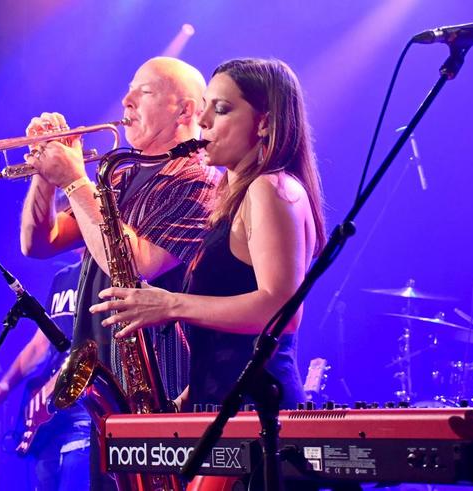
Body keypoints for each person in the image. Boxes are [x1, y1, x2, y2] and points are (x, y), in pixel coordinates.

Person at [18, 56, 219, 488]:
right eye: (129, 89)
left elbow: (137, 265)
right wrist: (45, 174)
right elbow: (39, 243)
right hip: (108, 389)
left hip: (164, 390)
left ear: (185, 110)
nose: (126, 100)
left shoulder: (197, 180)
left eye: (143, 92)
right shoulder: (121, 175)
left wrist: (75, 180)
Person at [89, 57, 326, 411]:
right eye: (204, 107)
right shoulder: (236, 196)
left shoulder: (269, 187)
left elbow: (282, 311)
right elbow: (226, 345)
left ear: (264, 123)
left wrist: (171, 304)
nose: (202, 121)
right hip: (221, 407)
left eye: (222, 109)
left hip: (257, 413)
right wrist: (181, 401)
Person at [0, 252, 88, 490]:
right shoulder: (63, 277)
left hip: (84, 409)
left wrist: (56, 383)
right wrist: (6, 385)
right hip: (49, 417)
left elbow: (102, 342)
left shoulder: (107, 275)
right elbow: (40, 344)